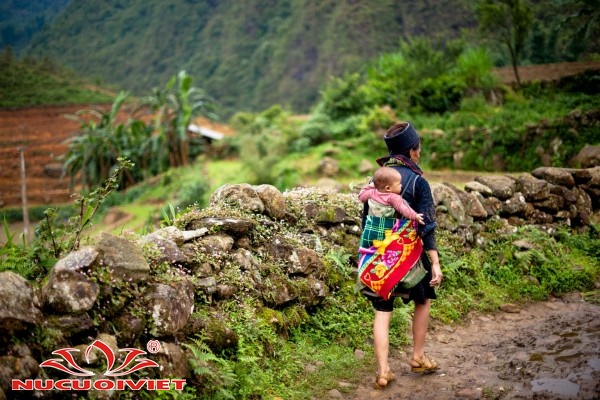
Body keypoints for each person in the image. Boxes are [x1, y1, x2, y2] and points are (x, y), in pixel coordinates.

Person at [361, 121, 443, 390]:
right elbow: (426, 224)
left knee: (382, 310)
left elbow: (366, 219)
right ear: (413, 151)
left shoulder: (377, 179)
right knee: (423, 300)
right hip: (410, 256)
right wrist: (435, 263)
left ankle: (383, 371)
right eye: (418, 149)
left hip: (378, 256)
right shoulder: (418, 181)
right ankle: (417, 357)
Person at [358, 166, 424, 225]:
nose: (401, 185)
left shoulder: (371, 193)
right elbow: (404, 209)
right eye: (399, 184)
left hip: (370, 227)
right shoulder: (393, 197)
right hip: (387, 229)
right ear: (388, 188)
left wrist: (370, 186)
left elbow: (361, 196)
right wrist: (415, 216)